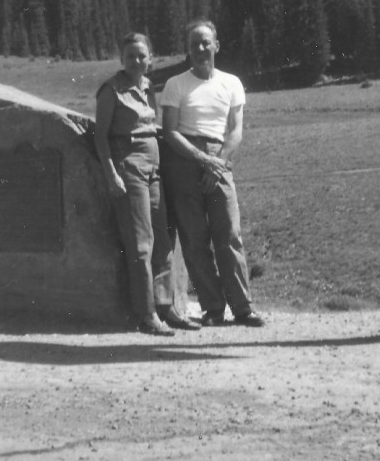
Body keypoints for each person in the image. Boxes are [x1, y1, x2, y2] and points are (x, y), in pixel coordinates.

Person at [160, 19, 266, 327]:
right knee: (194, 238)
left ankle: (243, 308)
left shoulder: (231, 83)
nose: (201, 48)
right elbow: (169, 131)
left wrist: (216, 163)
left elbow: (236, 131)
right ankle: (213, 308)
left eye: (206, 42)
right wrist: (200, 159)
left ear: (216, 45)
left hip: (219, 158)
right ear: (188, 50)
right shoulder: (175, 85)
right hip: (183, 160)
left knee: (229, 234)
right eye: (194, 44)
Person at [94, 32, 200, 335]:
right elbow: (100, 136)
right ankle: (147, 314)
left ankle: (167, 308)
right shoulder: (111, 91)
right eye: (130, 56)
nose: (137, 61)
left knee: (163, 240)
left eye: (142, 56)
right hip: (129, 169)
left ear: (150, 58)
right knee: (141, 244)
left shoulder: (146, 86)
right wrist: (111, 174)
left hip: (153, 170)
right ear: (121, 59)